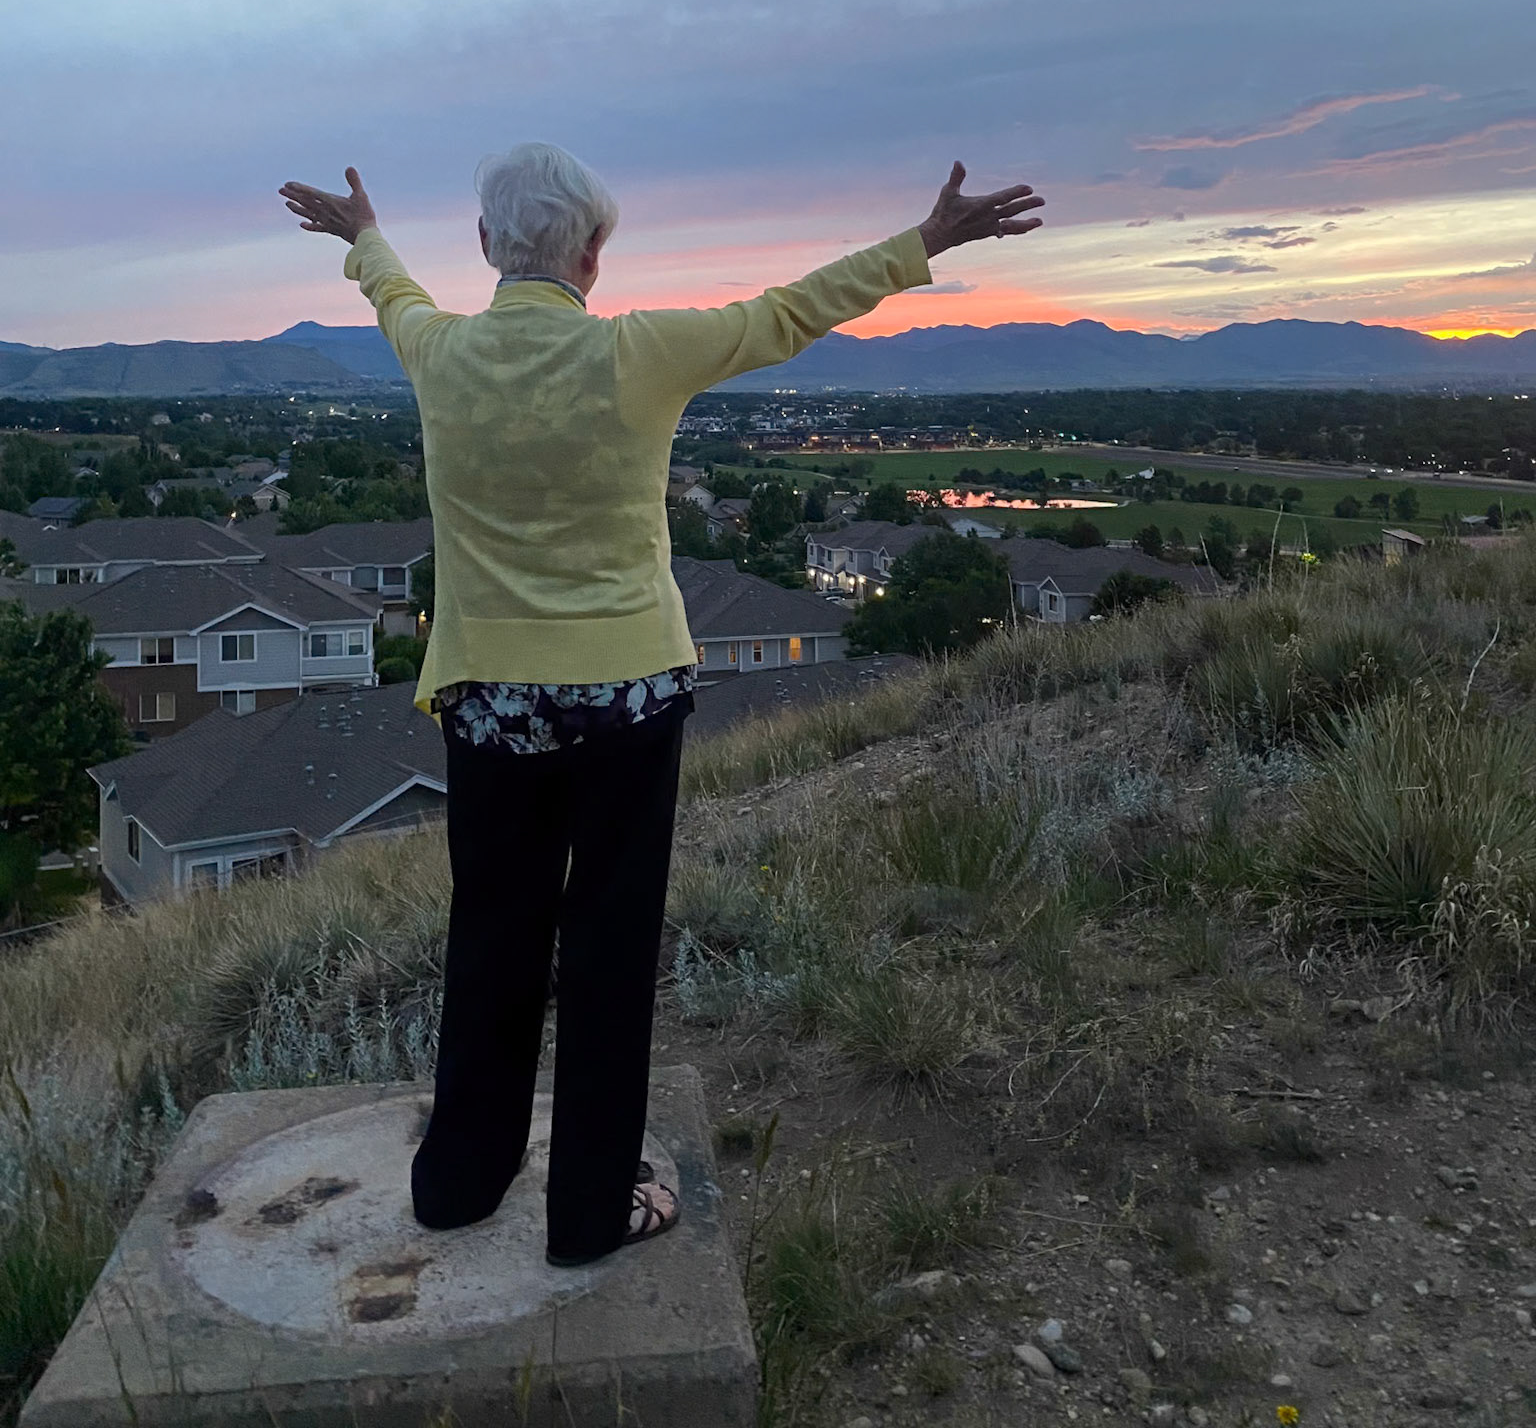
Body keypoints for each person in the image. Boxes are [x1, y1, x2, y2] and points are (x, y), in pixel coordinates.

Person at [279, 146, 1044, 1266]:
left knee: (492, 931)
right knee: (610, 940)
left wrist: (364, 237)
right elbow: (788, 312)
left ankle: (458, 1181)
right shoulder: (639, 352)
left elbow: (393, 293)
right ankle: (590, 1210)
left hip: (489, 700)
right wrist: (927, 241)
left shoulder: (440, 353)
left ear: (487, 246)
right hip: (628, 699)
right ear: (595, 252)